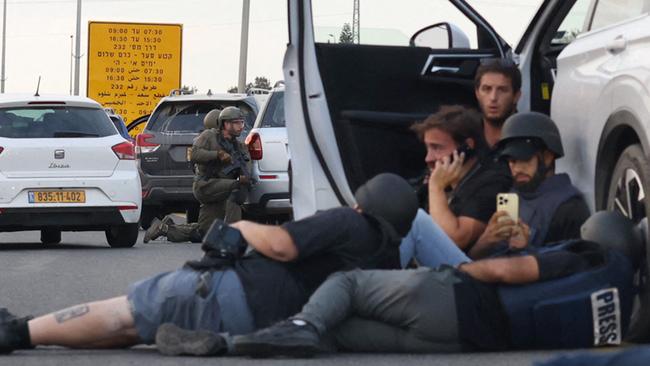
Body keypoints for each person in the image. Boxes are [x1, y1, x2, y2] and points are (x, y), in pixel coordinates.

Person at [0, 173, 418, 355]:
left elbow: (282, 244)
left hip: (236, 290)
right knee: (136, 327)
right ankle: (36, 332)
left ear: (363, 203)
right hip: (265, 322)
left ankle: (17, 331)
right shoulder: (390, 256)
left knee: (126, 310)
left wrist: (240, 229)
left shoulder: (349, 222)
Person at [212, 211, 643, 357]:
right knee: (341, 335)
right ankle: (233, 344)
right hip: (474, 342)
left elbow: (504, 272)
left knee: (348, 285)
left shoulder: (593, 259)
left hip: (457, 297)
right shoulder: (625, 320)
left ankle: (298, 327)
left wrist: (451, 273)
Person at [398, 105, 511, 263]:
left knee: (417, 221)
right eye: (428, 148)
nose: (428, 158)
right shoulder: (438, 174)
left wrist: (436, 188)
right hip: (432, 269)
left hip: (468, 272)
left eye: (437, 147)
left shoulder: (492, 181)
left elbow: (455, 238)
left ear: (467, 146)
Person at [470, 112, 591, 258]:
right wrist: (486, 240)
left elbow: (572, 269)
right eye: (512, 161)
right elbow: (471, 260)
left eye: (525, 159)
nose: (517, 169)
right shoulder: (512, 197)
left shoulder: (568, 208)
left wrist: (526, 251)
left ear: (547, 156)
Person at [144, 106, 252, 244]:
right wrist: (217, 155)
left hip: (221, 190)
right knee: (235, 188)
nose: (240, 126)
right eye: (237, 122)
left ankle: (164, 228)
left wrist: (245, 175)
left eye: (242, 122)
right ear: (225, 123)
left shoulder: (239, 146)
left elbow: (247, 165)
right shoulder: (208, 136)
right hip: (205, 185)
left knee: (203, 233)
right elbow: (194, 155)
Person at [474, 58, 522, 149]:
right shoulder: (464, 138)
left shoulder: (529, 141)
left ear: (516, 96)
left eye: (502, 90)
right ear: (477, 93)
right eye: (487, 89)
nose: (493, 97)